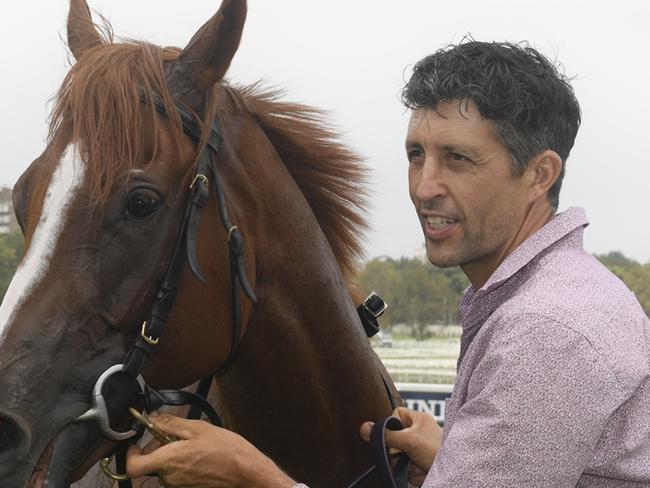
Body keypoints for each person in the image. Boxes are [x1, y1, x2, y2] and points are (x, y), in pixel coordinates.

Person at [126, 41, 650, 487]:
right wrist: (453, 458)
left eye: (458, 159)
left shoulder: (547, 329)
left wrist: (252, 474)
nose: (424, 188)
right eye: (416, 154)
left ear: (539, 175)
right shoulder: (556, 295)